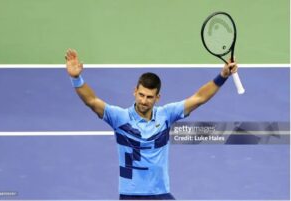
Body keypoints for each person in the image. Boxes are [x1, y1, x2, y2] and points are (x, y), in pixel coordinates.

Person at [65, 49, 238, 200]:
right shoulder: (119, 117)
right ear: (135, 91)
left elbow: (199, 98)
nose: (144, 101)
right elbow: (92, 101)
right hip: (131, 195)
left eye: (149, 97)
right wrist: (76, 78)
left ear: (157, 98)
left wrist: (222, 76)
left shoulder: (166, 115)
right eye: (141, 95)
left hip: (160, 193)